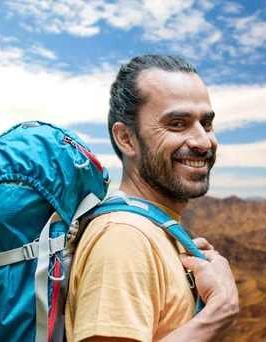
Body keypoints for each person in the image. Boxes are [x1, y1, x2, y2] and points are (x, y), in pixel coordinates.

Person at [64, 55, 239, 342]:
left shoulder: (153, 229)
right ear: (127, 139)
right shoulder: (124, 237)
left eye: (206, 123)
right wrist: (219, 313)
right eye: (177, 123)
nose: (203, 141)